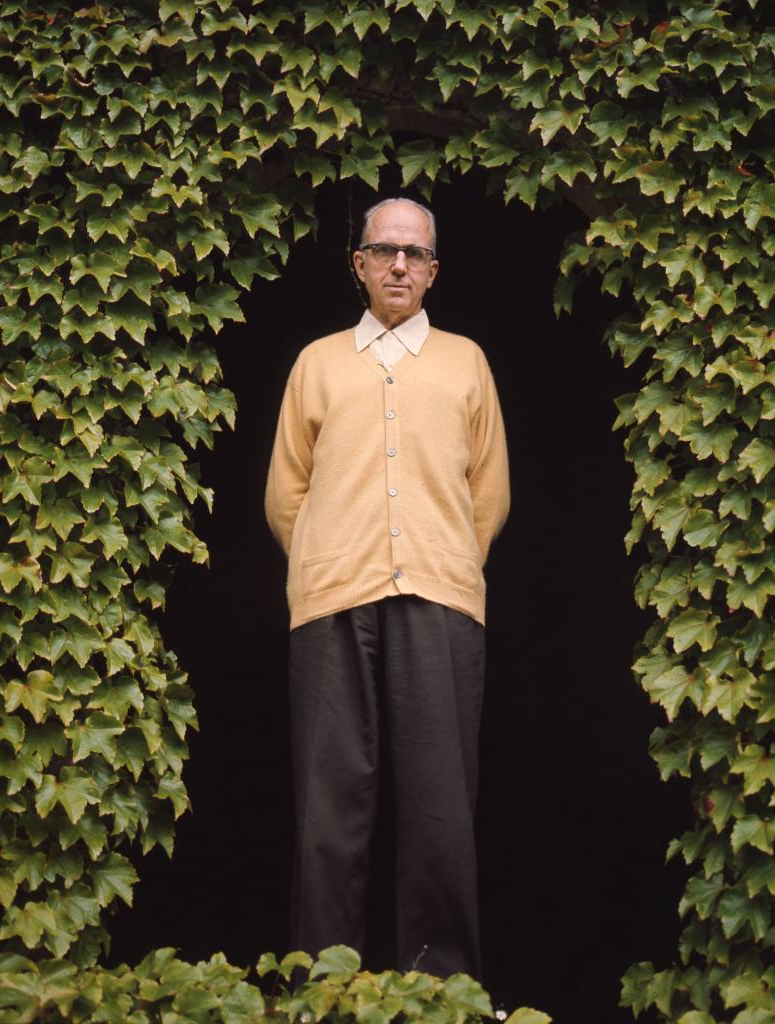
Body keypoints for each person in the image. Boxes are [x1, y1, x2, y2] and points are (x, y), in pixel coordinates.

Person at [264, 196, 510, 980]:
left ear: (434, 271)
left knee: (440, 811)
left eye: (414, 253)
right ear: (358, 265)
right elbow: (285, 493)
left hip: (441, 602)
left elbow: (489, 492)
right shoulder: (317, 362)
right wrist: (325, 561)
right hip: (332, 602)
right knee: (328, 816)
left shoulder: (467, 361)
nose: (398, 264)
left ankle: (440, 993)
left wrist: (444, 562)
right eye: (383, 250)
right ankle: (322, 988)